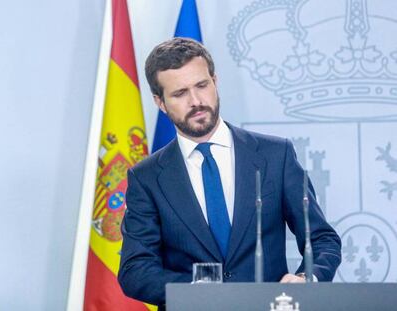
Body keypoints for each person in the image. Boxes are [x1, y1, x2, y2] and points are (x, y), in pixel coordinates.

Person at [118, 37, 341, 307]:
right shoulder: (147, 177)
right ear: (160, 102)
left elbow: (322, 239)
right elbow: (135, 270)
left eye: (202, 85)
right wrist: (196, 292)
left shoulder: (275, 155)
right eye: (180, 93)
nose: (196, 101)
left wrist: (307, 278)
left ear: (215, 81)